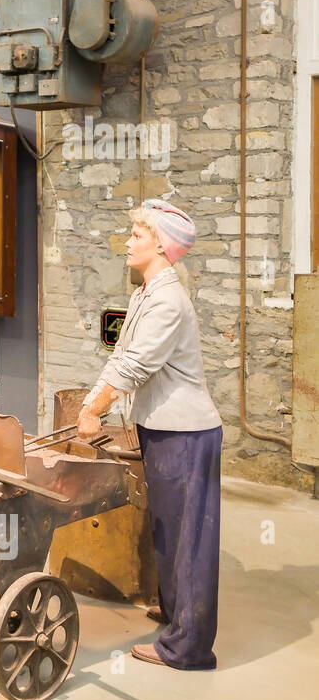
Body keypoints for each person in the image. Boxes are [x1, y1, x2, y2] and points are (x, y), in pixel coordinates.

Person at [77, 199, 222, 670]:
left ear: (160, 245)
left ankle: (189, 648)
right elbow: (121, 358)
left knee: (189, 539)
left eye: (136, 235)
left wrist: (96, 409)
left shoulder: (167, 300)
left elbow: (136, 366)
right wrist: (89, 404)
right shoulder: (145, 294)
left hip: (186, 433)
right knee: (167, 527)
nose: (127, 240)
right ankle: (177, 612)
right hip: (161, 428)